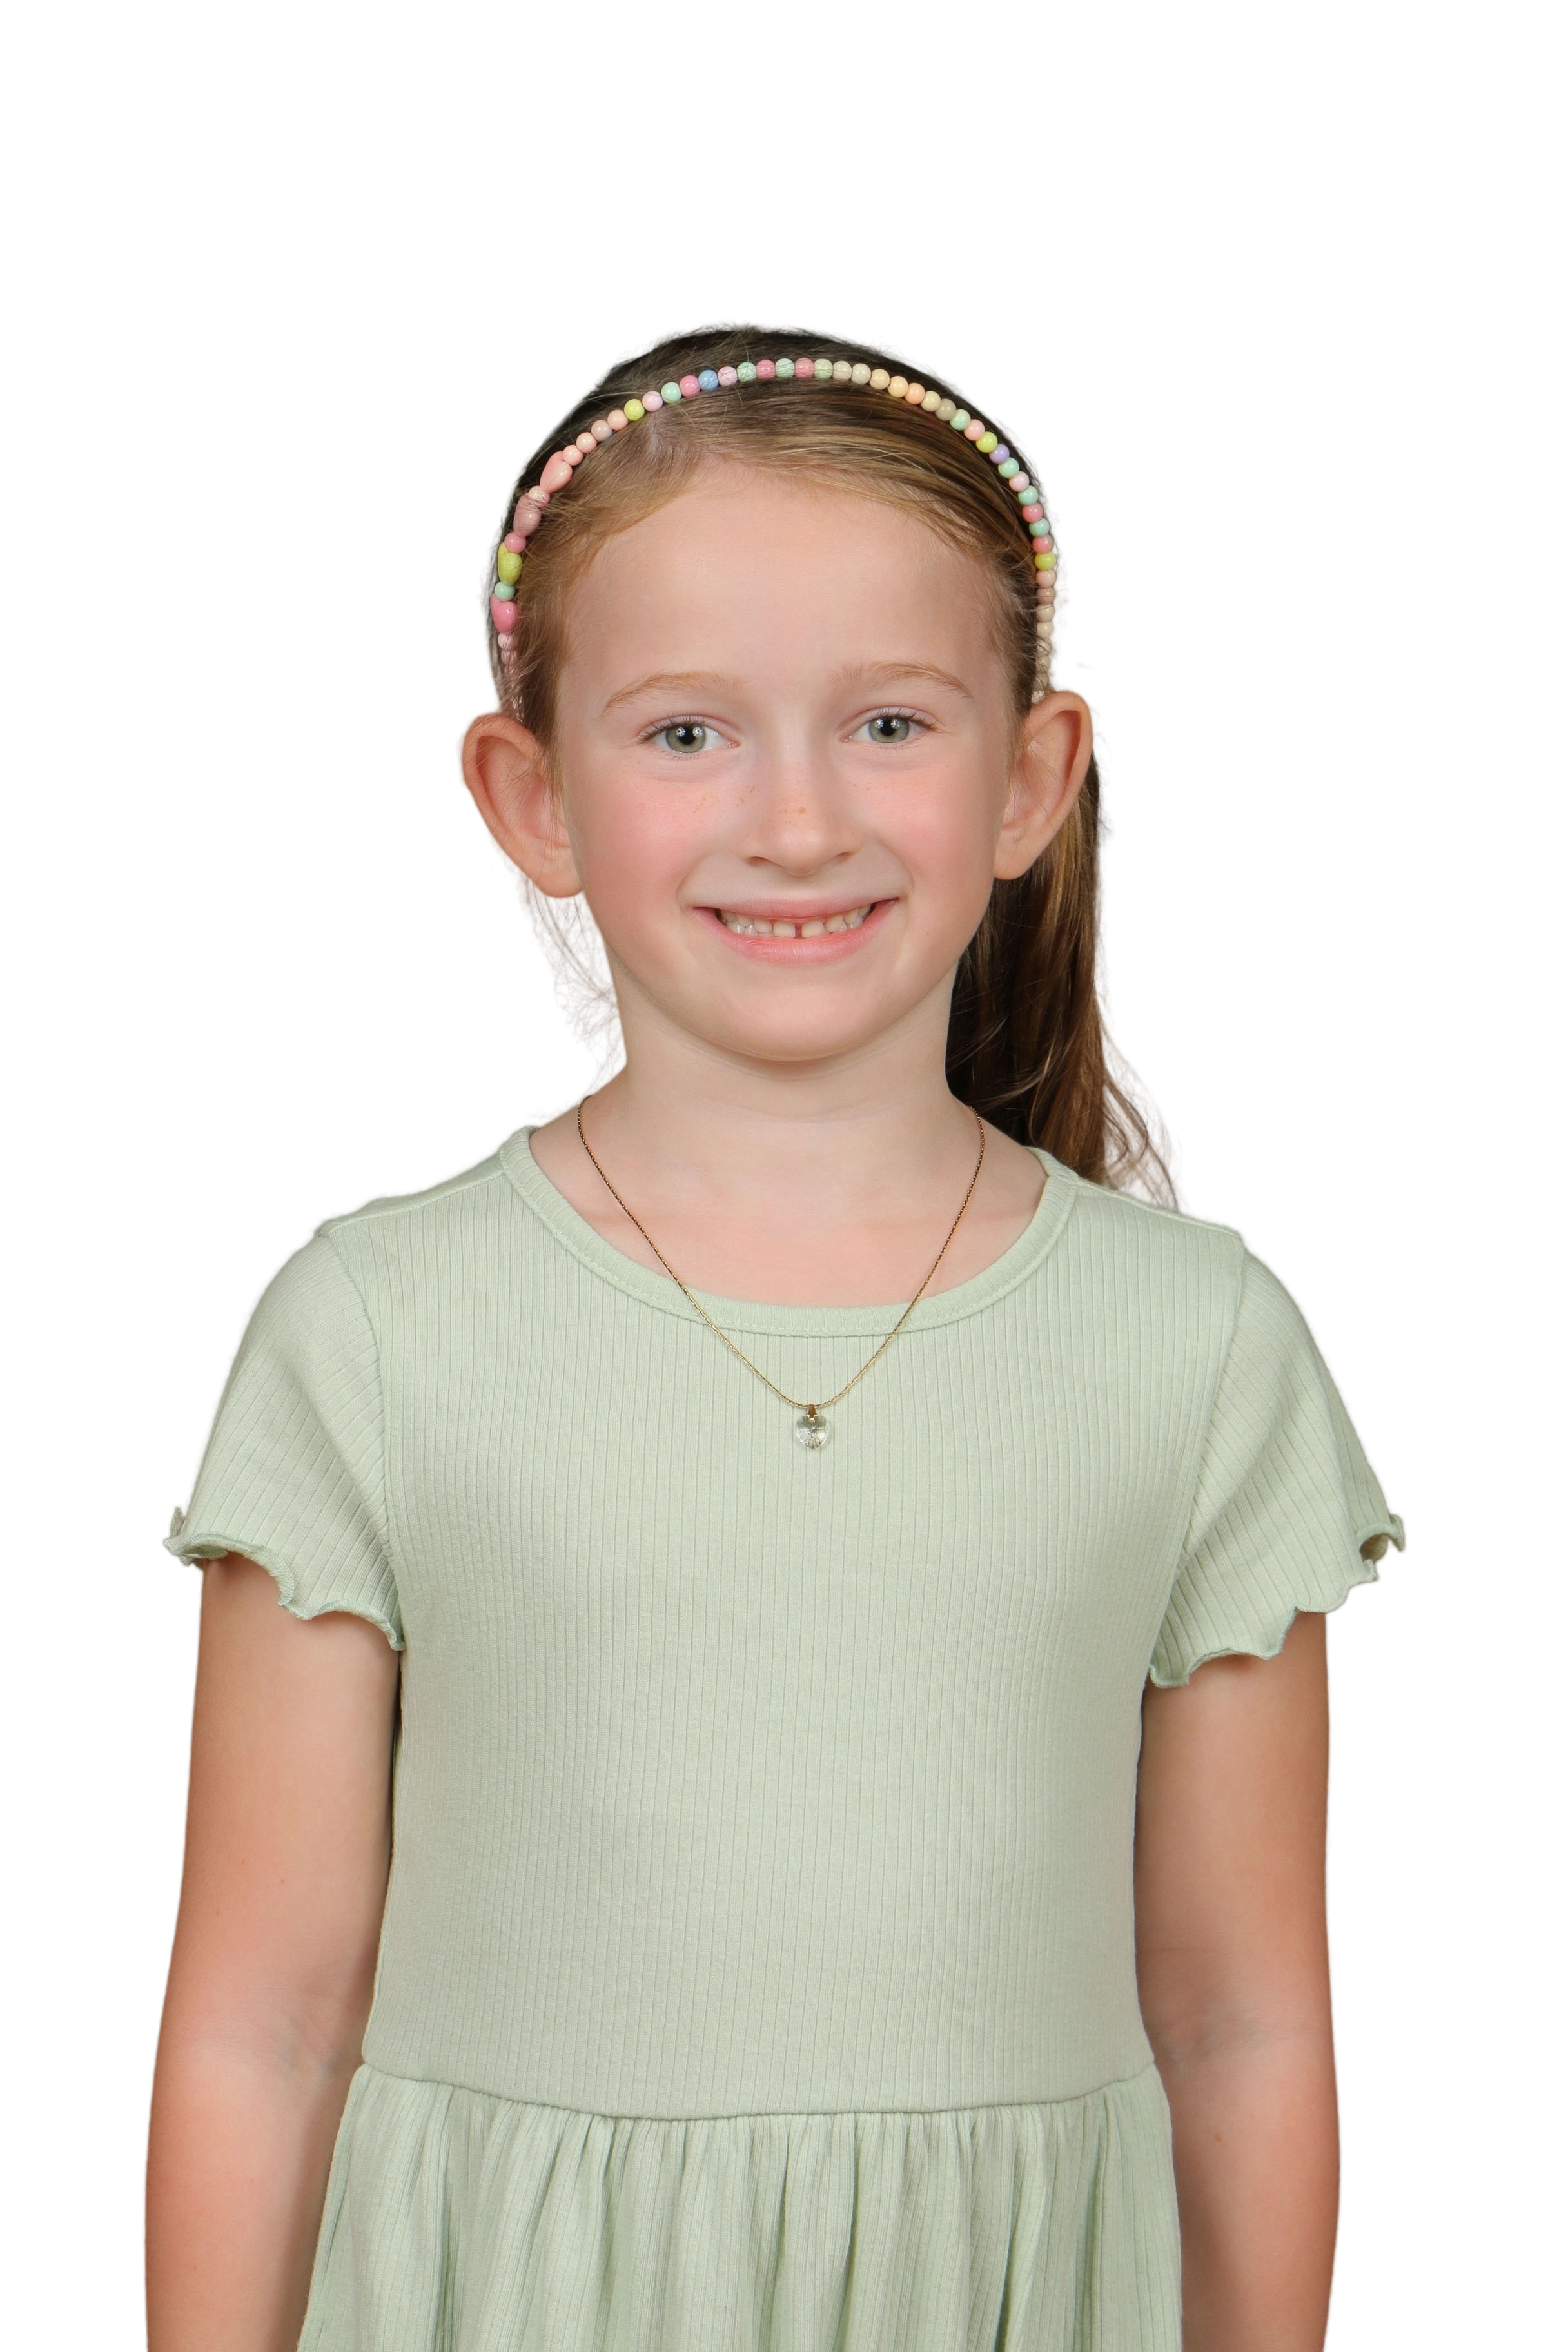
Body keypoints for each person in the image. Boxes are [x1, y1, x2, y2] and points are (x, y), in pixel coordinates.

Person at [141, 315, 1407, 2352]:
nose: (799, 821)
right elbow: (266, 2021)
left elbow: (1240, 2013)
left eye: (889, 722)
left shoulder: (1196, 1348)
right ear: (532, 799)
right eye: (687, 734)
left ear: (1032, 777)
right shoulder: (374, 1333)